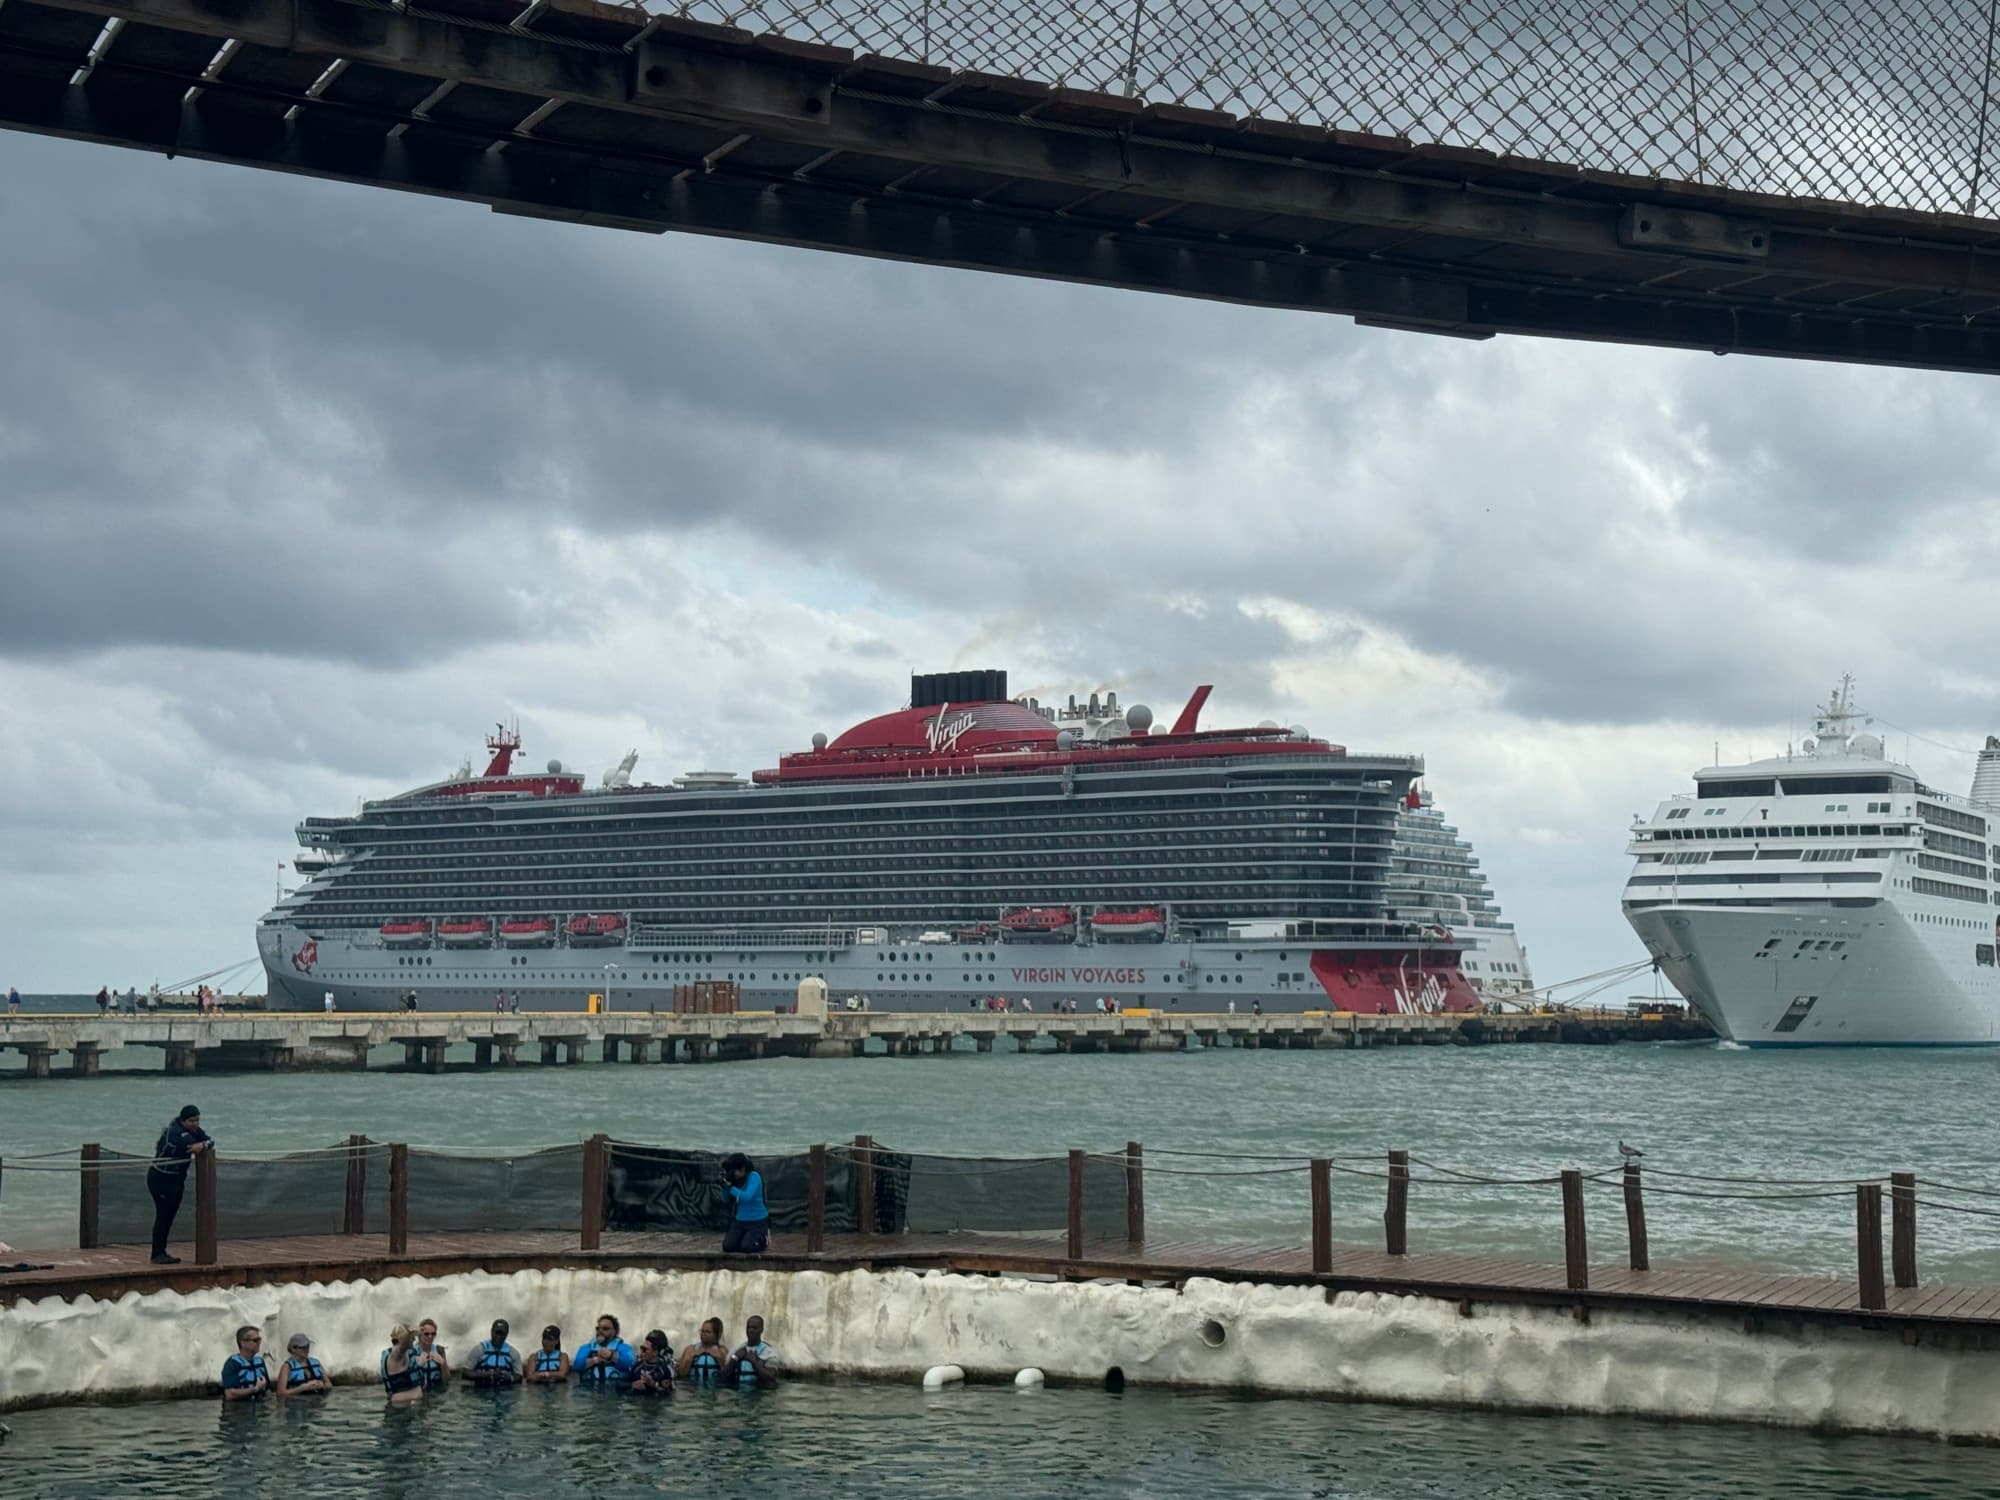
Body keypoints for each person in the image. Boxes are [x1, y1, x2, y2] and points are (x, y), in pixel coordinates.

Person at [148, 1105, 212, 1264]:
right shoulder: (175, 1133)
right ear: (183, 1120)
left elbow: (209, 1141)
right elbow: (189, 1146)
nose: (195, 1124)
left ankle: (161, 1251)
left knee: (169, 1215)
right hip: (161, 1179)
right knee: (163, 1215)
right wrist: (202, 1145)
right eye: (191, 1121)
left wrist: (203, 1145)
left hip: (176, 1180)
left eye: (197, 1120)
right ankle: (157, 1253)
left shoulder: (193, 1130)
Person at [721, 1153, 769, 1255]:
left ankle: (764, 1239)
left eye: (735, 1171)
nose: (734, 1174)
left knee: (747, 1247)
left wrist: (731, 1188)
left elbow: (747, 1196)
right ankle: (747, 1238)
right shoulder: (735, 1180)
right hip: (740, 1220)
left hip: (757, 1220)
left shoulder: (754, 1177)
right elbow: (725, 1199)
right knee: (728, 1246)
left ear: (743, 1168)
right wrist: (725, 1186)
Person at [573, 1314, 634, 1388]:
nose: (600, 1331)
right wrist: (595, 1360)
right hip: (589, 1389)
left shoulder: (624, 1348)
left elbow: (630, 1365)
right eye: (598, 1328)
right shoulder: (586, 1348)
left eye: (605, 1328)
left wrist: (611, 1355)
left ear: (615, 1331)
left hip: (615, 1390)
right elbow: (577, 1366)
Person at [221, 1325, 270, 1402]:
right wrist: (255, 1389)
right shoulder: (232, 1364)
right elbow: (229, 1394)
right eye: (255, 1340)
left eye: (259, 1339)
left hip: (259, 1408)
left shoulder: (260, 1362)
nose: (259, 1343)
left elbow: (267, 1389)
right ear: (243, 1343)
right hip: (240, 1409)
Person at [467, 1318, 521, 1387]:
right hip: (481, 1391)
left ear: (507, 1334)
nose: (498, 1336)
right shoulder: (479, 1349)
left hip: (505, 1392)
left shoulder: (513, 1353)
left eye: (502, 1334)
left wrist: (509, 1378)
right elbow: (466, 1372)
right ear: (491, 1331)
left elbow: (519, 1376)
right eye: (496, 1333)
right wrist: (486, 1374)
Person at [728, 1316, 779, 1389]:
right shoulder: (737, 1349)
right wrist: (734, 1358)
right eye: (748, 1327)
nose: (751, 1330)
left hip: (759, 1394)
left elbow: (771, 1378)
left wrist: (754, 1362)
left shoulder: (769, 1352)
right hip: (738, 1393)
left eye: (754, 1328)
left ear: (761, 1330)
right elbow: (722, 1377)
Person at [381, 1323, 424, 1404]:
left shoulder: (402, 1354)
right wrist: (408, 1330)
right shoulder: (396, 1355)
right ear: (404, 1339)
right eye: (412, 1337)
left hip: (410, 1406)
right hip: (402, 1408)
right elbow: (402, 1344)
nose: (414, 1339)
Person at [677, 1318, 728, 1386]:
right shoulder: (690, 1349)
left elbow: (728, 1375)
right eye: (702, 1331)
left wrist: (720, 1359)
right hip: (693, 1387)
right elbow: (681, 1374)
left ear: (715, 1334)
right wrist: (689, 1358)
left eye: (708, 1332)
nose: (704, 1334)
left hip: (714, 1388)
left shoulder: (722, 1350)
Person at [628, 1330, 675, 1395]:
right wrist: (632, 1385)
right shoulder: (637, 1365)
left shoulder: (664, 1369)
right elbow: (621, 1382)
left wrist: (653, 1385)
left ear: (655, 1352)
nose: (641, 1352)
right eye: (641, 1348)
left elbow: (669, 1393)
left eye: (644, 1349)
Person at [412, 1318, 449, 1390]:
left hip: (437, 1392)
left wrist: (443, 1364)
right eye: (426, 1334)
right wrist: (418, 1365)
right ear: (420, 1334)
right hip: (420, 1392)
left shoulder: (439, 1350)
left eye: (433, 1334)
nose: (430, 1336)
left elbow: (446, 1380)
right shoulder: (413, 1351)